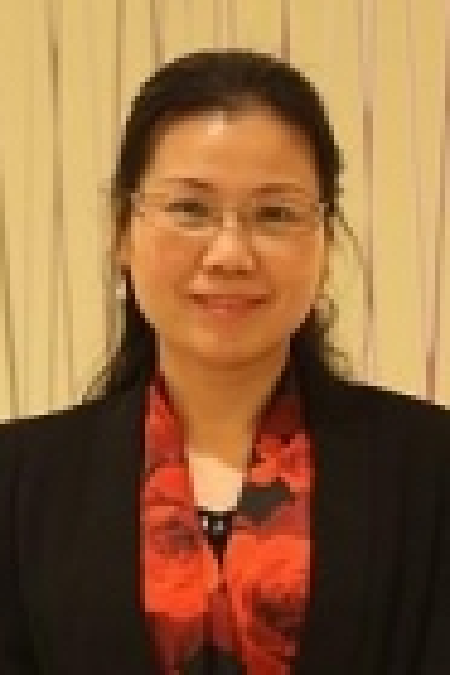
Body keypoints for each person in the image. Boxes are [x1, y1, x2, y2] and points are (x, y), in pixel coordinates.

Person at [1, 48, 449, 675]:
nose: (229, 254)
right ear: (122, 232)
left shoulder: (431, 468)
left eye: (275, 214)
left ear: (325, 242)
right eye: (190, 209)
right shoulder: (20, 481)